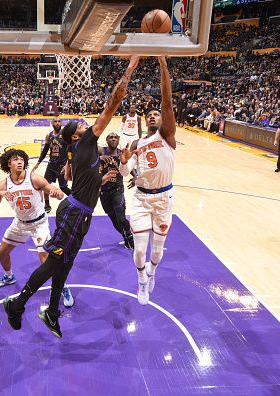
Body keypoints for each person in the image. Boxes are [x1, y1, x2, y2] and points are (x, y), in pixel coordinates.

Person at [3, 55, 141, 338]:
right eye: (79, 124)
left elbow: (70, 179)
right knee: (55, 261)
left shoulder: (80, 150)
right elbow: (112, 103)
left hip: (78, 210)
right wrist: (130, 67)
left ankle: (52, 313)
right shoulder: (88, 140)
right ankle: (18, 304)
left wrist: (99, 180)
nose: (84, 123)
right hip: (76, 213)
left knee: (65, 262)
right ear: (76, 136)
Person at [0, 149, 76, 306]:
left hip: (39, 224)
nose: (20, 162)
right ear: (9, 163)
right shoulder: (3, 184)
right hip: (19, 224)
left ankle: (63, 287)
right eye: (15, 159)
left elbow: (58, 193)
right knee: (2, 253)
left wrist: (56, 193)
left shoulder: (34, 178)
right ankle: (9, 276)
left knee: (46, 260)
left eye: (22, 159)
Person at [119, 56, 176, 305]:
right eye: (149, 114)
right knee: (140, 250)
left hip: (164, 198)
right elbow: (124, 173)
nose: (153, 116)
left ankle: (152, 271)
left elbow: (168, 102)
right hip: (142, 198)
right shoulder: (136, 143)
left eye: (156, 114)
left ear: (163, 119)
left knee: (156, 251)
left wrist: (163, 65)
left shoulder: (168, 136)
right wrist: (123, 161)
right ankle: (142, 279)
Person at [99, 132, 134, 249]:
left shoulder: (121, 153)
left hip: (117, 190)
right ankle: (125, 236)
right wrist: (99, 158)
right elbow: (88, 159)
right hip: (103, 191)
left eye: (115, 137)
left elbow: (129, 167)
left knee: (121, 217)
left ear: (118, 140)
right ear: (107, 140)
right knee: (114, 219)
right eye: (110, 137)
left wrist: (136, 177)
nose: (113, 139)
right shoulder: (100, 151)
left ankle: (129, 234)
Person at [33, 117, 71, 214]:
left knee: (63, 187)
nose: (57, 123)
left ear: (61, 123)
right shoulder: (48, 136)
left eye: (59, 121)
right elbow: (45, 150)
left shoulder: (65, 135)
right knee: (45, 185)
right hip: (51, 165)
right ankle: (47, 204)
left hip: (62, 166)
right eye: (55, 121)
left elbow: (71, 150)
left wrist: (68, 165)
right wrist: (38, 163)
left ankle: (76, 201)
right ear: (52, 123)